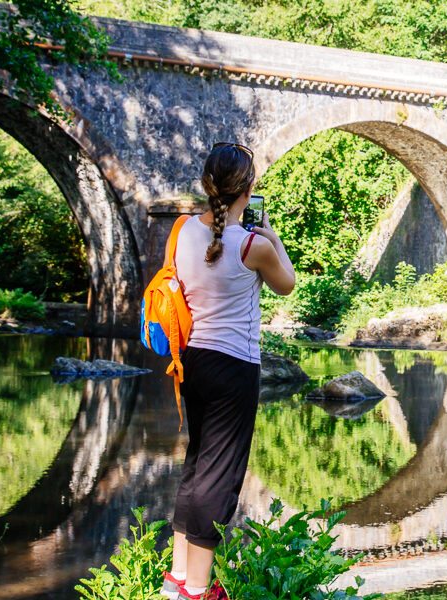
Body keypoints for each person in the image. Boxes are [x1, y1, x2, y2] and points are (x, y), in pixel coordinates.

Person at [162, 142, 296, 600]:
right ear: (249, 188)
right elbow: (287, 284)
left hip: (191, 361)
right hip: (234, 368)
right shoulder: (253, 245)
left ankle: (178, 578)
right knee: (219, 477)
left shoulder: (180, 231)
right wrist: (274, 237)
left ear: (207, 184)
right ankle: (197, 589)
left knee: (197, 465)